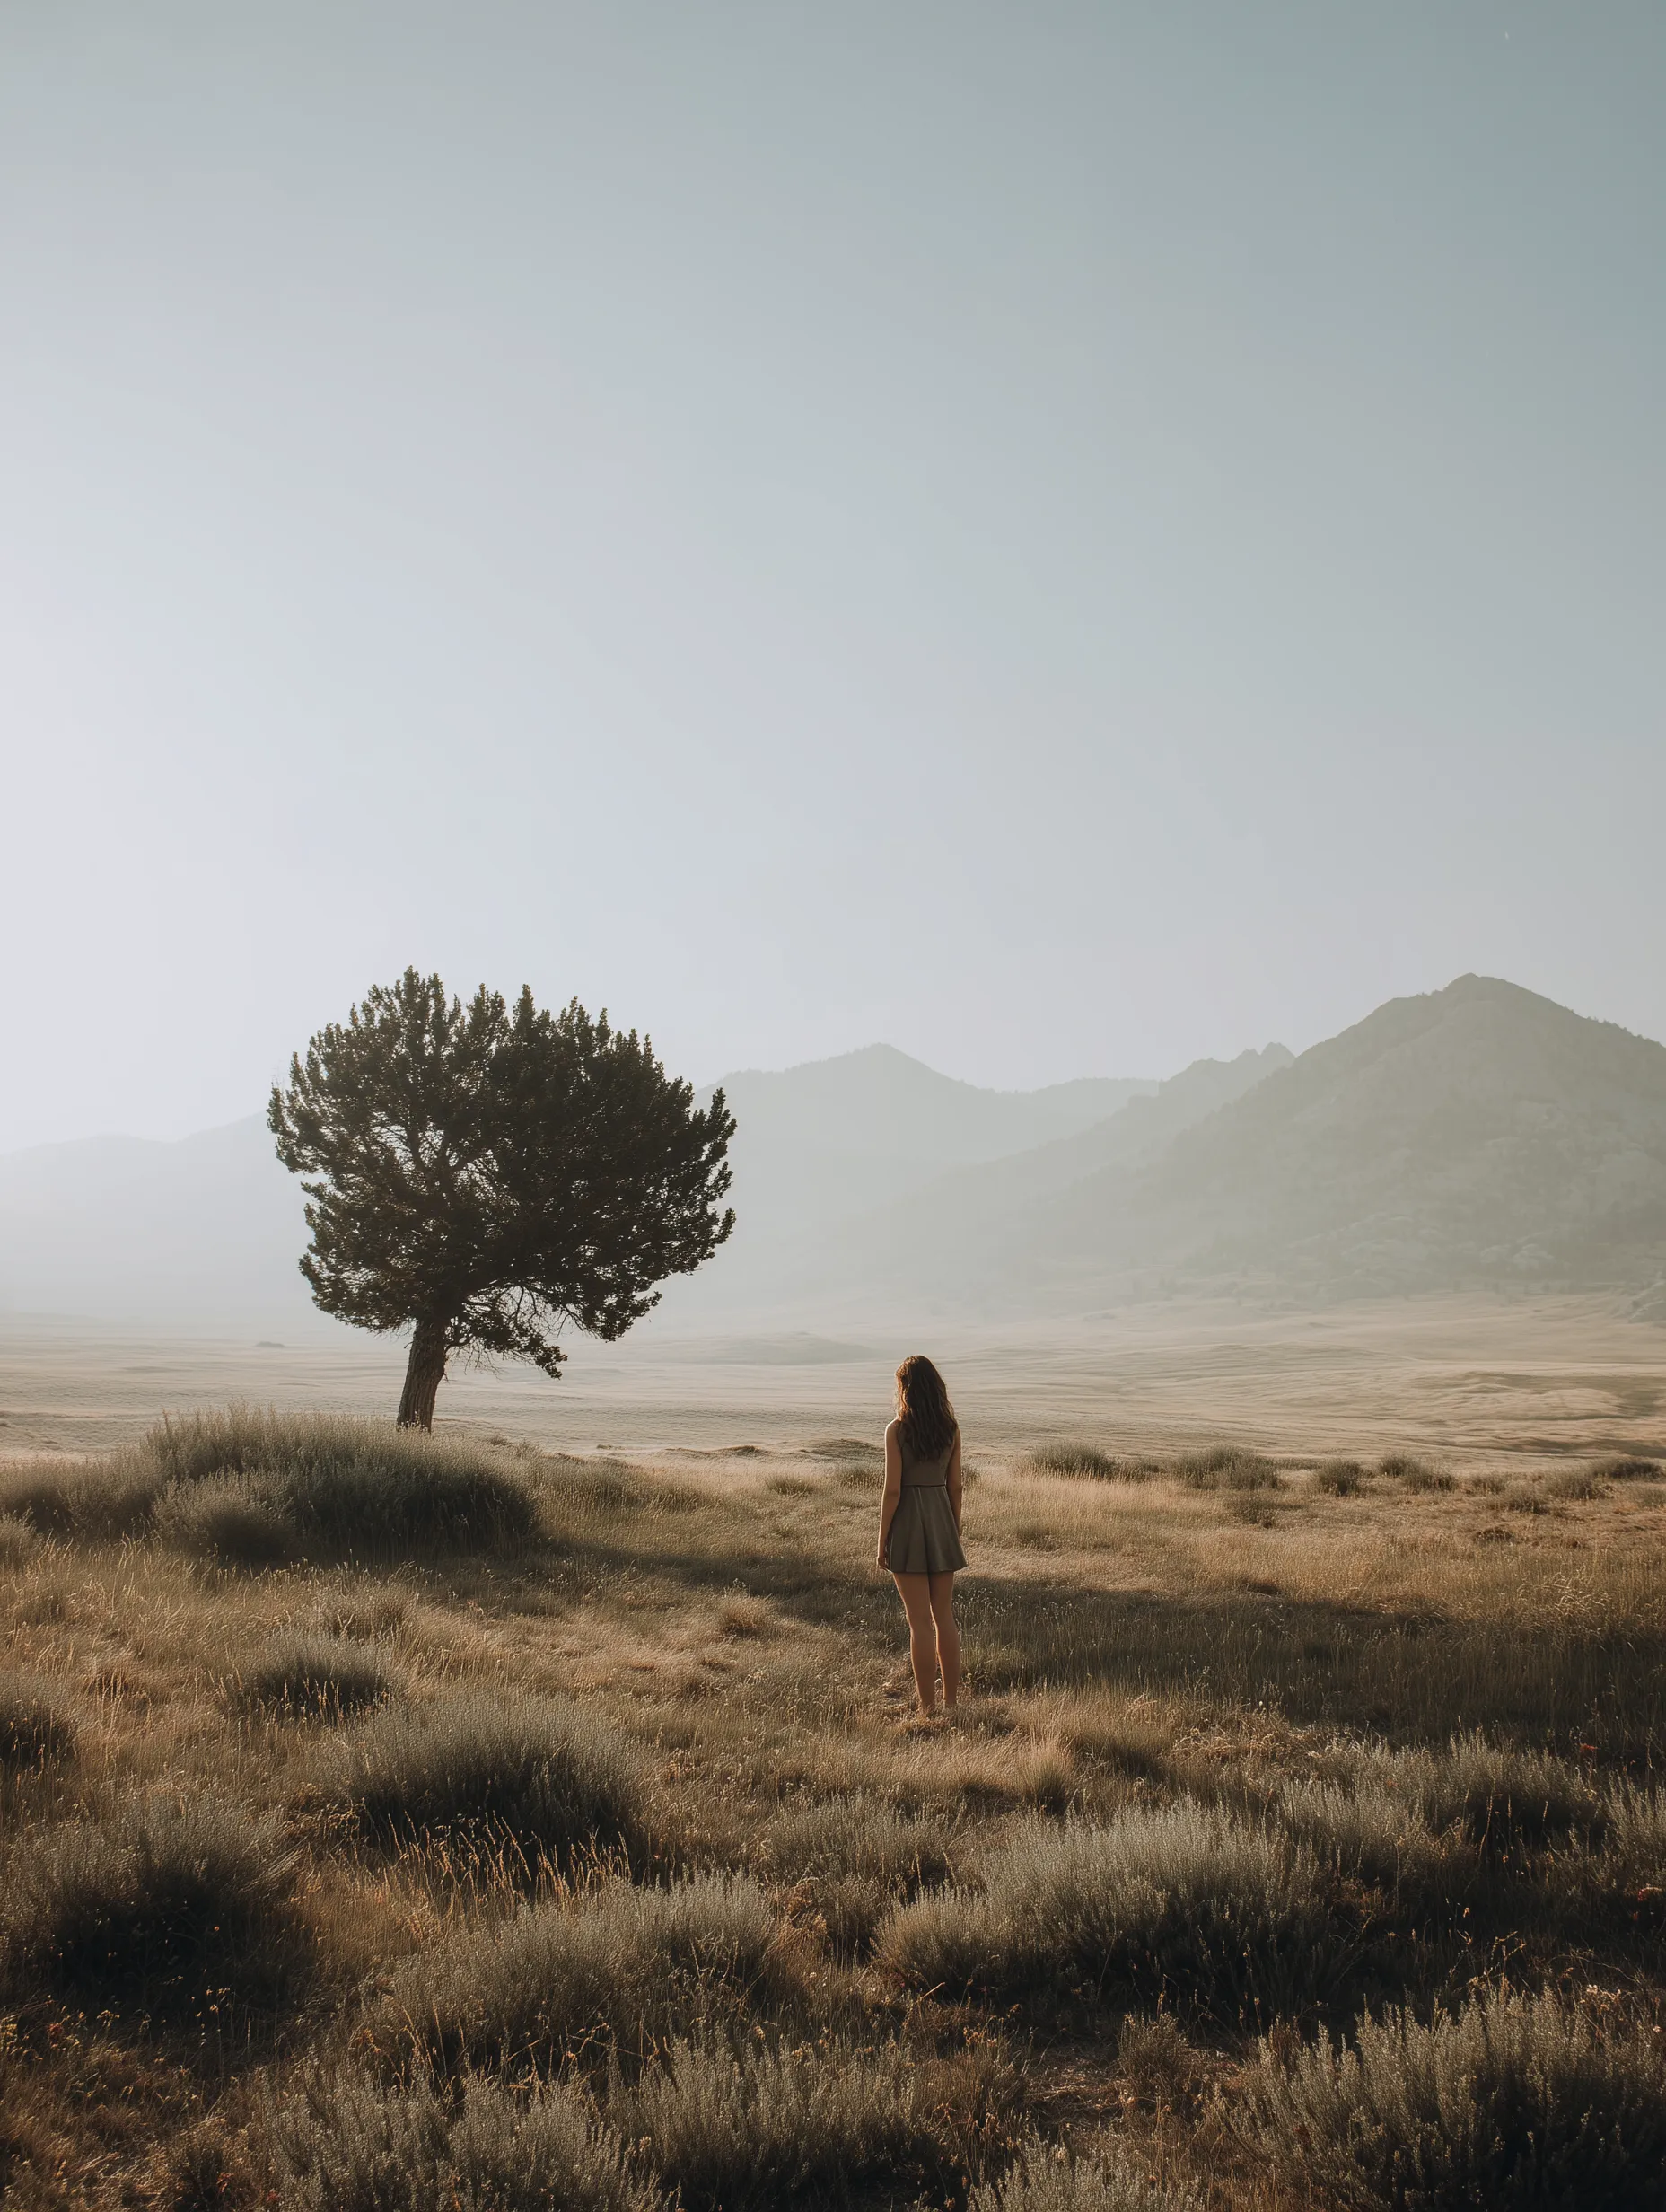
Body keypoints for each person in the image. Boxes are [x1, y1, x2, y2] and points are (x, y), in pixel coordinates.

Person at [877, 1353, 966, 1718]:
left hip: (909, 1525)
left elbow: (893, 1490)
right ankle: (951, 1703)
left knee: (918, 1622)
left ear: (906, 1390)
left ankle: (928, 1709)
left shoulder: (897, 1430)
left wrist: (882, 1540)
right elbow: (956, 1486)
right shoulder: (952, 1429)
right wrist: (954, 1529)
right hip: (943, 1522)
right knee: (944, 1616)